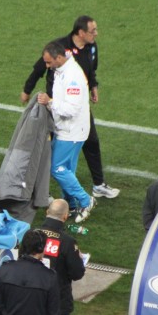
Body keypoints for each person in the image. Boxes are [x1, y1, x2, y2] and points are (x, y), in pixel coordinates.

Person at [21, 15, 120, 200]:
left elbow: (91, 70)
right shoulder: (59, 48)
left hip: (71, 107)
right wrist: (27, 90)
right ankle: (47, 194)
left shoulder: (90, 49)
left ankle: (93, 189)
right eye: (93, 31)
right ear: (81, 32)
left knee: (83, 147)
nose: (96, 34)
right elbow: (39, 68)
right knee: (47, 149)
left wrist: (93, 86)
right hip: (55, 106)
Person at [36, 41, 95, 224]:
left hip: (72, 131)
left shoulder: (72, 76)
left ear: (59, 57)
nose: (47, 66)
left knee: (57, 168)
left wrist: (50, 102)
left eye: (49, 62)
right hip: (66, 129)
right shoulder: (62, 70)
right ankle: (70, 204)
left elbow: (71, 109)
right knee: (67, 170)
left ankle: (85, 200)